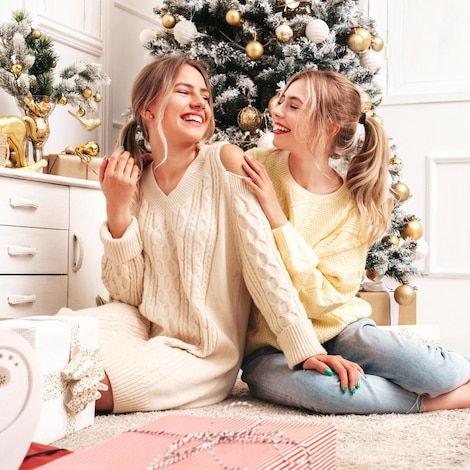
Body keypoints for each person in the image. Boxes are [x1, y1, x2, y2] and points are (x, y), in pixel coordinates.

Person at [56, 56, 361, 413]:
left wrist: (304, 347)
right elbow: (129, 294)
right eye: (184, 92)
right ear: (148, 110)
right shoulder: (134, 180)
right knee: (58, 339)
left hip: (203, 348)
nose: (199, 102)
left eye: (204, 95)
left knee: (95, 385)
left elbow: (264, 266)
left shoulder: (225, 161)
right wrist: (118, 209)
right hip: (141, 324)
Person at [240, 69, 470, 414]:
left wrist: (277, 218)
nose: (276, 110)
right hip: (268, 348)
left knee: (433, 371)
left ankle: (465, 372)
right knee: (329, 394)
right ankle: (459, 396)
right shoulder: (256, 166)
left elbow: (323, 299)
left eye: (293, 106)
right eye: (281, 100)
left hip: (339, 327)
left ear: (327, 128)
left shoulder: (352, 208)